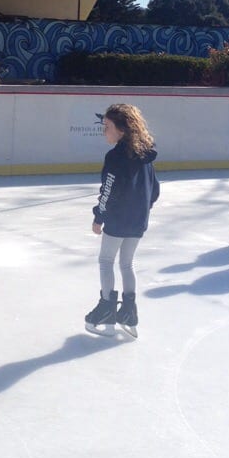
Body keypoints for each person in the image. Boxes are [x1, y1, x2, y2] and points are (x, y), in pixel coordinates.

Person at [85, 104, 159, 338]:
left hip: (118, 219)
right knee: (127, 264)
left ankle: (107, 310)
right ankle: (128, 313)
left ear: (122, 129)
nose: (104, 131)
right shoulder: (145, 153)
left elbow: (108, 190)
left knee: (106, 260)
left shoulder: (116, 156)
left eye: (107, 126)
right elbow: (154, 189)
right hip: (138, 219)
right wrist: (142, 209)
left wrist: (99, 217)